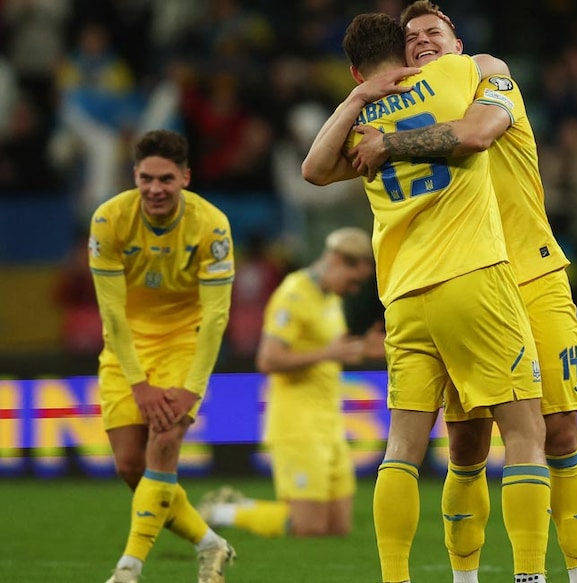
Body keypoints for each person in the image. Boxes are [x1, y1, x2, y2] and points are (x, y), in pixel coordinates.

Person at [345, 3, 577, 582]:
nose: (423, 42)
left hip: (531, 276)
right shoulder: (406, 108)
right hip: (470, 280)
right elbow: (328, 165)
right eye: (410, 39)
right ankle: (466, 578)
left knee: (558, 433)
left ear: (458, 42)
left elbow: (481, 131)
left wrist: (387, 143)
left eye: (435, 32)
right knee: (465, 448)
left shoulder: (487, 73)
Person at [301, 13, 551, 583]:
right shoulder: (459, 73)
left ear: (354, 69)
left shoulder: (362, 121)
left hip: (403, 296)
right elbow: (481, 122)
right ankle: (531, 577)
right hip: (472, 277)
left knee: (402, 448)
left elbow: (313, 170)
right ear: (408, 53)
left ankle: (395, 578)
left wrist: (359, 97)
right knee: (523, 433)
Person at [90, 129, 236, 583]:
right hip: (125, 346)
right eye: (146, 178)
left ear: (185, 178)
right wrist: (138, 382)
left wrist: (191, 390)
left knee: (166, 444)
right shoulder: (108, 220)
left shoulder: (212, 226)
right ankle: (211, 544)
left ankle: (127, 569)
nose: (155, 188)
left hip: (183, 342)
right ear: (134, 175)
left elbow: (215, 316)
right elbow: (111, 311)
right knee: (133, 467)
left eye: (166, 179)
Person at [198, 227, 383, 538]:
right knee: (308, 527)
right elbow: (267, 360)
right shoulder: (293, 294)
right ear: (337, 260)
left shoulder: (330, 299)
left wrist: (364, 348)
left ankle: (235, 509)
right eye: (353, 281)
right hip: (296, 423)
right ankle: (225, 510)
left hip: (329, 420)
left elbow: (327, 351)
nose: (353, 290)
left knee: (338, 528)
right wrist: (329, 352)